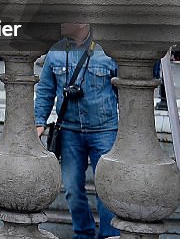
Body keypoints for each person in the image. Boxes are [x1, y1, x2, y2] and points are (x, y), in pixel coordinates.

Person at [35, 23, 119, 239]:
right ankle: (83, 233)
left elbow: (124, 90)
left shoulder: (108, 49)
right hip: (70, 130)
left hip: (105, 130)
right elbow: (45, 90)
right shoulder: (55, 52)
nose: (60, 22)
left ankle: (108, 236)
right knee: (72, 188)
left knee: (107, 188)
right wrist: (39, 122)